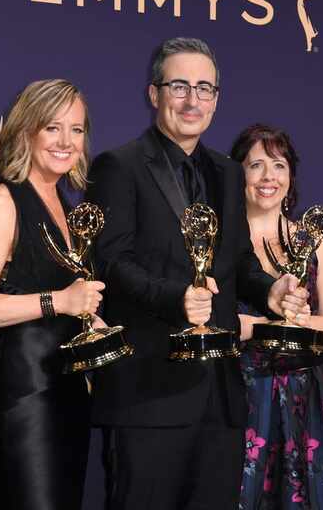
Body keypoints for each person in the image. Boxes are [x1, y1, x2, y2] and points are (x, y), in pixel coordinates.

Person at [85, 37, 299, 509]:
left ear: (217, 99)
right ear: (153, 93)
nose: (192, 100)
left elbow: (238, 263)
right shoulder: (117, 167)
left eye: (205, 88)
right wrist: (175, 297)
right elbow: (111, 263)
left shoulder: (226, 171)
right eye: (179, 86)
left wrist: (272, 291)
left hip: (218, 396)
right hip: (147, 392)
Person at [0, 79, 101, 510]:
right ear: (25, 132)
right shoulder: (4, 202)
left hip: (65, 388)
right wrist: (59, 301)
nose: (66, 141)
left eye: (76, 129)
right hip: (21, 394)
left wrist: (90, 318)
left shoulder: (67, 207)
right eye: (52, 128)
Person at [230, 124, 323, 509]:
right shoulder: (220, 245)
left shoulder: (313, 243)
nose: (269, 177)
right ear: (238, 174)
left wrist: (295, 322)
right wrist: (267, 326)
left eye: (279, 165)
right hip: (239, 396)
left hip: (308, 400)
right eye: (256, 165)